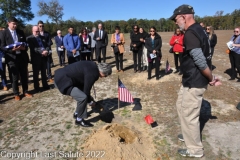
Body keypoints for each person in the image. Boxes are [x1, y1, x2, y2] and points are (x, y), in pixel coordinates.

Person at [169, 4, 221, 158]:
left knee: (189, 116)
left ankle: (195, 150)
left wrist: (211, 78)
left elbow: (199, 60)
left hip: (195, 81)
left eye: (176, 19)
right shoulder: (199, 29)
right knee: (181, 106)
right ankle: (187, 135)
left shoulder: (191, 33)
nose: (175, 22)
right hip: (189, 80)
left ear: (184, 16)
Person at [54, 62, 112, 127]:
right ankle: (79, 120)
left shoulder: (92, 65)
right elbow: (86, 91)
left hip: (61, 76)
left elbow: (84, 85)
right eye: (105, 75)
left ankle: (77, 114)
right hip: (63, 82)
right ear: (102, 72)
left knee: (81, 95)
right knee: (82, 97)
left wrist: (90, 100)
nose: (104, 77)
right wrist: (90, 102)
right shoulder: (93, 73)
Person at [0, 17, 32, 100]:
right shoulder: (3, 33)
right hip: (11, 58)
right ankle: (16, 93)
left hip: (21, 57)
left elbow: (26, 44)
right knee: (14, 77)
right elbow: (2, 46)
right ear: (8, 23)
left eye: (16, 24)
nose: (15, 25)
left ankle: (25, 91)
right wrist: (12, 50)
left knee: (24, 75)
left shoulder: (20, 32)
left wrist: (23, 48)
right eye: (13, 24)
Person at [27, 26, 50, 93]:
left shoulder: (42, 37)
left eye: (38, 31)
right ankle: (37, 87)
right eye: (36, 31)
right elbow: (34, 48)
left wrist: (47, 51)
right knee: (36, 74)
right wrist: (42, 52)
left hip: (44, 57)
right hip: (36, 58)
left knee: (43, 72)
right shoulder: (29, 38)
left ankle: (45, 85)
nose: (37, 33)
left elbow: (47, 45)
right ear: (32, 31)